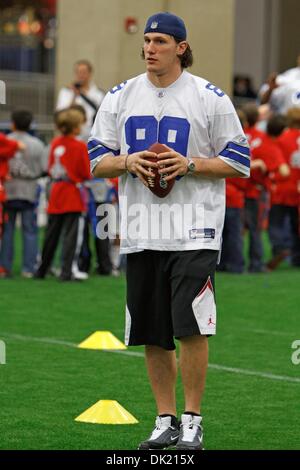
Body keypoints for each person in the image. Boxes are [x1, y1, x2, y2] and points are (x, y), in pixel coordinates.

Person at [89, 12, 250, 450]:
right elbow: (95, 158)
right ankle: (165, 419)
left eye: (160, 41)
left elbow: (239, 161)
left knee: (191, 326)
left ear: (181, 47)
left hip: (194, 229)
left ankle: (193, 419)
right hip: (141, 230)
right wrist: (127, 160)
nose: (150, 48)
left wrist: (191, 163)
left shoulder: (209, 97)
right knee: (151, 331)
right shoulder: (120, 96)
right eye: (146, 41)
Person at [35, 108, 90, 281]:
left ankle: (42, 270)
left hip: (56, 191)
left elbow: (51, 166)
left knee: (51, 234)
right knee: (70, 236)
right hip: (72, 192)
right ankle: (66, 272)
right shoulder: (80, 145)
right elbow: (85, 172)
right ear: (75, 127)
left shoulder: (56, 143)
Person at [0, 110, 45, 278]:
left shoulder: (6, 141)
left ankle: (5, 267)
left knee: (7, 230)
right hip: (29, 188)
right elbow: (43, 169)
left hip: (9, 188)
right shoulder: (37, 144)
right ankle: (29, 268)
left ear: (12, 123)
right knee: (30, 230)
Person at [56, 60, 105, 141]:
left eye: (84, 72)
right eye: (78, 72)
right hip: (72, 133)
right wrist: (74, 96)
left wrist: (84, 95)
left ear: (90, 74)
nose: (81, 75)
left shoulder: (99, 94)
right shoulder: (66, 92)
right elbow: (61, 114)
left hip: (92, 133)